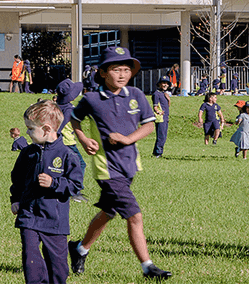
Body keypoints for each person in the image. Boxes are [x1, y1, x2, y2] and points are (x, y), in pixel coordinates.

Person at [68, 44, 172, 279]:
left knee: (108, 212)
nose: (123, 74)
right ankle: (148, 267)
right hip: (107, 169)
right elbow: (74, 119)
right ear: (103, 72)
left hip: (129, 166)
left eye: (126, 69)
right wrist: (83, 139)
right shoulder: (92, 99)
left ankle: (79, 249)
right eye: (116, 69)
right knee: (134, 215)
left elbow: (148, 125)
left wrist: (127, 139)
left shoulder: (135, 95)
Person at [10, 100, 84, 284]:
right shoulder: (27, 153)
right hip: (29, 216)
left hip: (55, 221)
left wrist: (54, 183)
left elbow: (75, 185)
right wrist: (16, 199)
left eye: (30, 128)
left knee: (58, 268)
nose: (26, 132)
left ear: (46, 129)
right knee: (31, 261)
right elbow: (17, 179)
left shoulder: (67, 155)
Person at [150, 80, 171, 157]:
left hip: (165, 117)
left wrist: (168, 99)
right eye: (163, 83)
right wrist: (159, 112)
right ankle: (158, 153)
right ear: (159, 84)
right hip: (160, 118)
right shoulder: (156, 94)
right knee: (161, 136)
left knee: (164, 136)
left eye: (167, 83)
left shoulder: (164, 94)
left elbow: (167, 106)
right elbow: (155, 106)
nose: (165, 85)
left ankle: (156, 152)